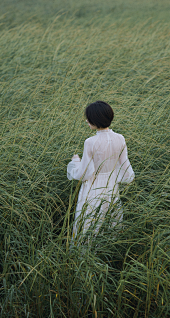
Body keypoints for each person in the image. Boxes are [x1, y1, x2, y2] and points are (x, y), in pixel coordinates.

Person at [67, 101, 135, 237]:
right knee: (109, 222)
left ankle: (84, 255)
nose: (87, 121)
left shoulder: (90, 142)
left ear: (96, 120)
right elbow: (126, 168)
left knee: (88, 224)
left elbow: (84, 174)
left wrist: (75, 162)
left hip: (93, 188)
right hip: (111, 186)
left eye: (89, 118)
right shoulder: (120, 138)